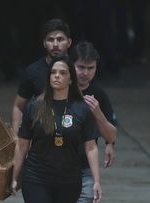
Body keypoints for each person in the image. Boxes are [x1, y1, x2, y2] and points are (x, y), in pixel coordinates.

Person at [11, 55, 102, 203]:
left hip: (69, 179)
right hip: (36, 176)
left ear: (71, 79)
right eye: (53, 72)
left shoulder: (81, 109)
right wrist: (14, 177)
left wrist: (96, 181)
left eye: (62, 73)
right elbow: (22, 145)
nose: (57, 76)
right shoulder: (34, 106)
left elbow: (91, 147)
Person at [70, 41, 117, 203]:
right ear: (71, 65)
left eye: (91, 68)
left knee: (88, 196)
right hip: (56, 162)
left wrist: (98, 114)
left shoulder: (99, 94)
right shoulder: (58, 89)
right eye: (81, 67)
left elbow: (111, 134)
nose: (85, 73)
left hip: (85, 164)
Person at [11, 18, 72, 135]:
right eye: (50, 40)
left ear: (69, 42)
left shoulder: (77, 71)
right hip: (41, 136)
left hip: (72, 135)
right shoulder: (32, 71)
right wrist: (15, 137)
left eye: (60, 39)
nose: (55, 44)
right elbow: (19, 106)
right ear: (44, 43)